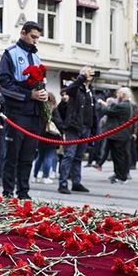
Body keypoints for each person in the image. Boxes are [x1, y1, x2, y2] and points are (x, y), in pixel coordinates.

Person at [0, 21, 47, 200]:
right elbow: (3, 84)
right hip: (16, 113)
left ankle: (24, 192)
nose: (35, 41)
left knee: (28, 156)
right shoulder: (10, 53)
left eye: (37, 38)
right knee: (12, 155)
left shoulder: (37, 58)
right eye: (33, 37)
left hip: (34, 115)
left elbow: (42, 83)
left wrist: (43, 95)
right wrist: (29, 95)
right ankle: (7, 192)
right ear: (23, 33)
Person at [57, 66, 98, 194]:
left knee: (79, 156)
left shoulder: (90, 91)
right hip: (73, 127)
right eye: (87, 72)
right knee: (69, 155)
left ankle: (76, 182)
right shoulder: (76, 88)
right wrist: (82, 77)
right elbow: (69, 90)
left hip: (86, 127)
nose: (90, 74)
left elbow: (93, 111)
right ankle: (63, 183)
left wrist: (94, 129)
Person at [99, 88, 133, 184]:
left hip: (118, 135)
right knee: (117, 156)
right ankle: (119, 174)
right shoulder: (127, 105)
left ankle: (121, 175)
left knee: (118, 156)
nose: (117, 95)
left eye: (118, 93)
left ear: (122, 94)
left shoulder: (122, 105)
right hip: (120, 134)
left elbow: (108, 111)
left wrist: (103, 104)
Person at [32, 91, 62, 185]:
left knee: (40, 156)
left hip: (40, 135)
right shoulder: (54, 109)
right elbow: (59, 122)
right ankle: (45, 176)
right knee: (49, 156)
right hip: (51, 136)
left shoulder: (40, 108)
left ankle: (35, 176)